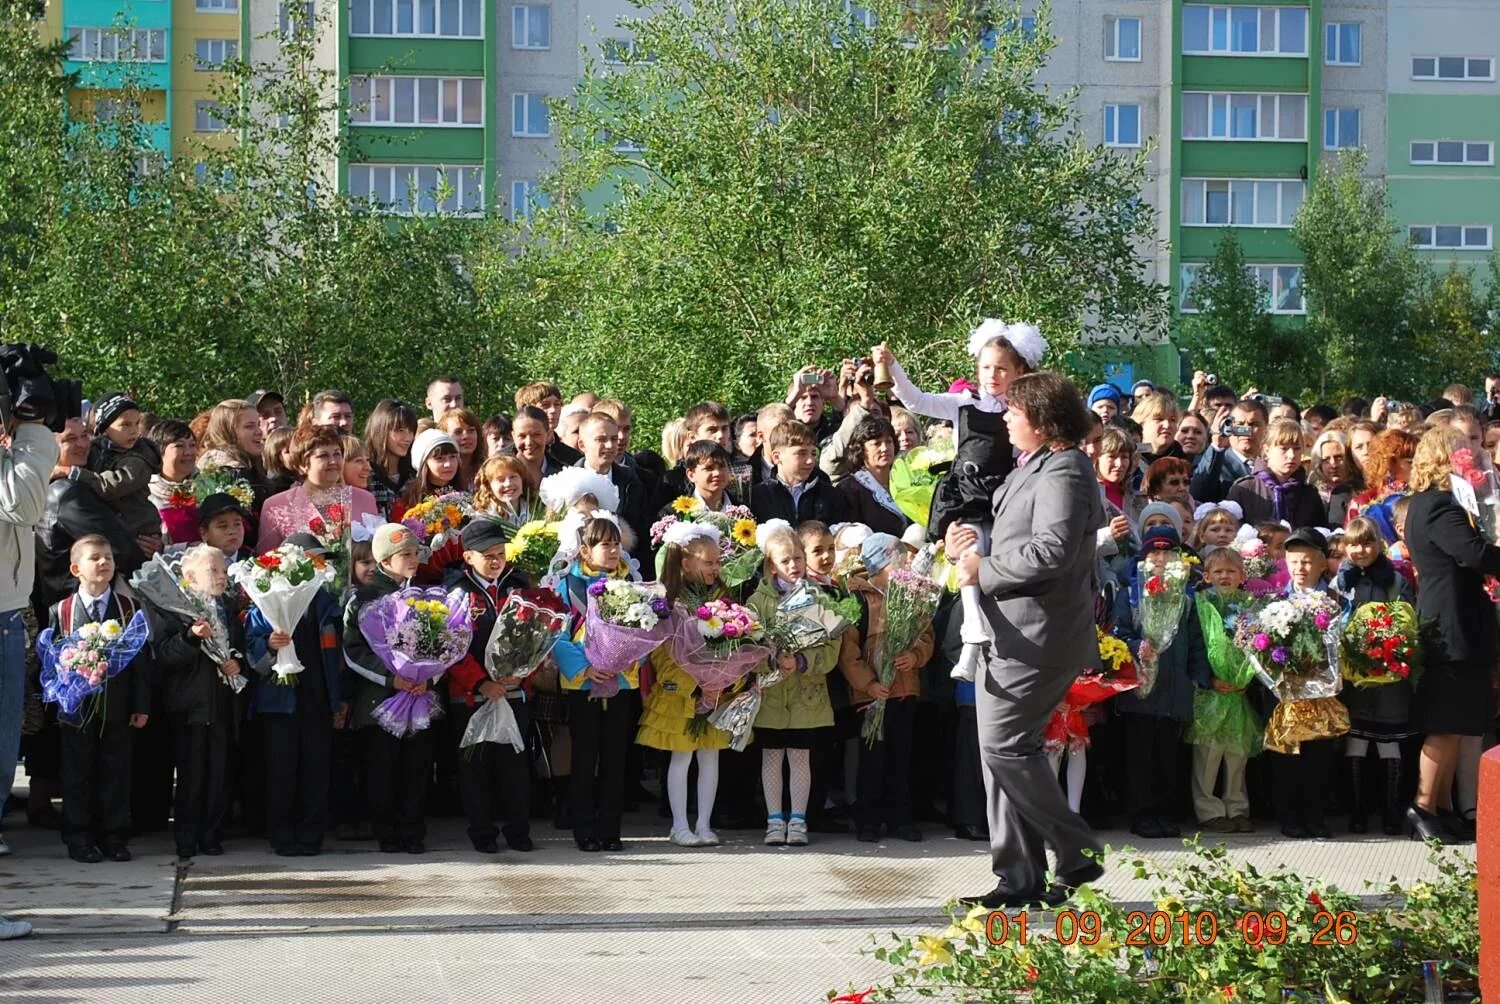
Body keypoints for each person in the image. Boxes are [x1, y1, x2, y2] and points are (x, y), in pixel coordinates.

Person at [947, 371, 1104, 910]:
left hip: (1038, 634)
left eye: (1014, 411)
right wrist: (967, 541)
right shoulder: (1038, 466)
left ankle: (1077, 849)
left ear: (1041, 418)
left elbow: (1051, 552)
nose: (1006, 418)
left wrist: (983, 569)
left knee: (1007, 748)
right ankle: (1019, 877)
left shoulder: (1064, 470)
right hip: (1011, 631)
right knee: (1003, 754)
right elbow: (1017, 537)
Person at [1401, 425, 1500, 842]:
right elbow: (1472, 553)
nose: (1471, 457)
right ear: (1445, 457)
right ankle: (1422, 805)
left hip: (1458, 618)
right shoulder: (1439, 506)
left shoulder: (1434, 503)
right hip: (1452, 623)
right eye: (1462, 450)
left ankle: (1440, 807)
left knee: (1459, 723)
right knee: (1445, 723)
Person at [50, 535, 150, 862]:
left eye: (108, 556)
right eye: (95, 558)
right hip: (76, 707)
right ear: (76, 568)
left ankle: (115, 836)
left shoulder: (128, 608)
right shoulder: (61, 610)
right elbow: (51, 660)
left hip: (118, 707)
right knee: (78, 773)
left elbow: (140, 661)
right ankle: (79, 836)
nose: (104, 562)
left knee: (116, 771)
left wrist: (141, 705)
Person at [640, 522, 741, 847]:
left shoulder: (723, 599)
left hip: (716, 693)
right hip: (680, 693)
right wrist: (694, 685)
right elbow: (663, 653)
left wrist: (720, 684)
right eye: (708, 562)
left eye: (717, 562)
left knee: (710, 755)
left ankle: (704, 824)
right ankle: (680, 825)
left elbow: (736, 645)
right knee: (681, 757)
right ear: (685, 563)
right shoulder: (668, 602)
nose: (715, 568)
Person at [244, 532, 344, 857]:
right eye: (312, 560)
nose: (319, 566)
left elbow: (336, 657)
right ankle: (282, 833)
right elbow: (252, 652)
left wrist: (338, 699)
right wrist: (269, 647)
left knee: (317, 769)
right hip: (280, 702)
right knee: (281, 770)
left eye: (321, 561)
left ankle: (312, 834)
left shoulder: (327, 604)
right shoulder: (266, 600)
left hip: (317, 698)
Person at [1111, 524, 1210, 839]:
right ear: (1144, 557)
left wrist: (1197, 679)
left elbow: (1196, 641)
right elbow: (1119, 632)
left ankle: (1166, 814)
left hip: (1174, 689)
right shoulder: (1131, 594)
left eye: (1168, 552)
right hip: (1139, 689)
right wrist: (1136, 647)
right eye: (1155, 552)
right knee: (1140, 756)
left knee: (1168, 756)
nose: (1161, 559)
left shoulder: (1186, 598)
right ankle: (1142, 815)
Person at [444, 518, 535, 854]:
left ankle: (518, 831)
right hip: (470, 697)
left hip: (514, 691)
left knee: (515, 767)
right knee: (475, 768)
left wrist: (519, 674)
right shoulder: (458, 592)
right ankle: (481, 832)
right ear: (468, 557)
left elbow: (536, 634)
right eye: (487, 555)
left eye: (501, 553)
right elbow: (450, 645)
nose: (496, 560)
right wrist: (480, 682)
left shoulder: (518, 586)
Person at [147, 544, 244, 858]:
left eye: (224, 571)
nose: (220, 577)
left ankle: (212, 834)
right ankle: (187, 837)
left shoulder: (228, 608)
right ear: (189, 576)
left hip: (222, 704)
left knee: (219, 773)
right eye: (212, 571)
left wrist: (236, 662)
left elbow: (238, 645)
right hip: (190, 706)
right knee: (192, 774)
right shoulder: (175, 611)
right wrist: (190, 638)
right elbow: (164, 655)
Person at [747, 524, 841, 846]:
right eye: (785, 560)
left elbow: (831, 649)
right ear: (771, 565)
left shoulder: (819, 599)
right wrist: (771, 660)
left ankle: (798, 820)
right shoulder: (757, 602)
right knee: (771, 757)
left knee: (801, 757)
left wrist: (801, 662)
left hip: (807, 695)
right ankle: (774, 820)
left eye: (798, 558)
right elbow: (746, 648)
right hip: (772, 695)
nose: (794, 566)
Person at [552, 514, 641, 852]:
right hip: (583, 684)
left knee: (616, 758)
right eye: (605, 544)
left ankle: (611, 829)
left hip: (620, 682)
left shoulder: (632, 583)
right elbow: (555, 634)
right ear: (585, 551)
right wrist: (585, 668)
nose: (613, 550)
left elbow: (647, 631)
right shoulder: (568, 586)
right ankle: (584, 829)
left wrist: (632, 657)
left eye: (616, 544)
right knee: (585, 758)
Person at [838, 532, 933, 844]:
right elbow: (848, 653)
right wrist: (870, 683)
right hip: (872, 694)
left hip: (904, 690)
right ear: (880, 563)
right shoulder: (859, 600)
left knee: (901, 758)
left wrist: (914, 656)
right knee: (872, 759)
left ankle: (899, 818)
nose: (906, 562)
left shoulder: (911, 594)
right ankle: (868, 819)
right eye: (898, 559)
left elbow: (925, 634)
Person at [343, 524, 431, 854]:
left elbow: (441, 645)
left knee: (416, 768)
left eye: (415, 553)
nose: (412, 559)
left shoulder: (423, 596)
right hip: (379, 700)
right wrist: (389, 677)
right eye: (404, 554)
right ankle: (387, 831)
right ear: (384, 561)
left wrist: (428, 676)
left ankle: (413, 829)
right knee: (382, 768)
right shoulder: (364, 598)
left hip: (417, 697)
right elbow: (352, 651)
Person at [1332, 516, 1415, 836]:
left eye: (1367, 543)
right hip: (1354, 675)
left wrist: (1391, 645)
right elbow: (1332, 616)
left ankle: (1391, 811)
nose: (1361, 550)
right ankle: (1357, 811)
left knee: (1388, 743)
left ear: (1379, 544)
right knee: (1357, 740)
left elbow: (1406, 618)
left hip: (1388, 673)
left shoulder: (1394, 579)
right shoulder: (1341, 580)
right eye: (1353, 544)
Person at [1187, 548, 1260, 834]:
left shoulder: (1250, 606)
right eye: (1218, 571)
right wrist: (1209, 679)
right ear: (1206, 576)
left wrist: (1246, 678)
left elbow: (1259, 646)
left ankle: (1237, 807)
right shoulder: (1200, 605)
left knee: (1236, 753)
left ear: (1242, 576)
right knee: (1208, 753)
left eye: (1231, 571)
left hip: (1239, 691)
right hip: (1210, 693)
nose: (1224, 576)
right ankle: (1208, 810)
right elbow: (1196, 648)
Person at [257, 426, 379, 552]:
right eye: (323, 456)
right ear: (302, 464)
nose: (333, 461)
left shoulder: (365, 499)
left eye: (337, 454)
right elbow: (267, 560)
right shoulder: (275, 506)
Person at [76, 393, 163, 556]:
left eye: (137, 424)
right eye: (125, 425)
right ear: (105, 427)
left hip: (140, 532)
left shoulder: (137, 459)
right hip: (116, 529)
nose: (134, 431)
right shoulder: (98, 448)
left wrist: (75, 474)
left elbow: (109, 486)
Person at [1227, 419, 1329, 529]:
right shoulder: (1244, 489)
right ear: (1266, 450)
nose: (1291, 455)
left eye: (1297, 449)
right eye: (1284, 448)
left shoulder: (1309, 494)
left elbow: (1320, 536)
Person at [749, 420, 849, 528]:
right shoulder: (758, 497)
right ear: (777, 457)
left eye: (813, 453)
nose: (810, 460)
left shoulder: (830, 495)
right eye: (802, 453)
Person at [837, 416, 911, 538]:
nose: (885, 448)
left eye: (889, 441)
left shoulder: (907, 480)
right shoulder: (849, 489)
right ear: (861, 449)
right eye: (877, 443)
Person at [1191, 398, 1268, 504]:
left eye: (1254, 424)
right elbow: (1198, 494)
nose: (1246, 431)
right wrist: (1216, 446)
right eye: (1240, 424)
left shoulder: (1274, 464)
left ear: (1267, 428)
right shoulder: (1216, 464)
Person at [147, 418, 200, 545]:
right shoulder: (146, 495)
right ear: (158, 452)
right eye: (179, 446)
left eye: (192, 445)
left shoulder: (207, 487)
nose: (188, 452)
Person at [363, 399, 418, 518]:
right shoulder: (365, 474)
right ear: (381, 430)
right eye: (400, 430)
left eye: (411, 431)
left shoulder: (414, 476)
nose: (408, 438)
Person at [438, 407, 484, 491]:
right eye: (458, 432)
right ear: (445, 436)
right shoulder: (440, 475)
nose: (466, 436)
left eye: (471, 430)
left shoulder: (487, 469)